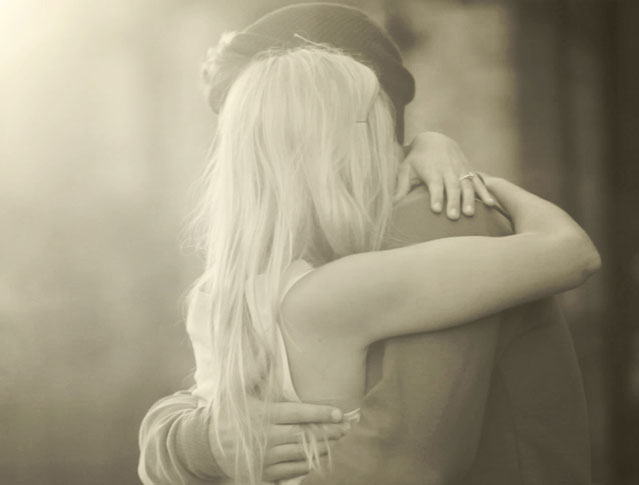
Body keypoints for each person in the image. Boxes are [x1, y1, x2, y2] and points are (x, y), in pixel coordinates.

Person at [138, 3, 597, 484]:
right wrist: (198, 443)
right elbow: (572, 253)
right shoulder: (302, 284)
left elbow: (398, 462)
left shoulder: (441, 218)